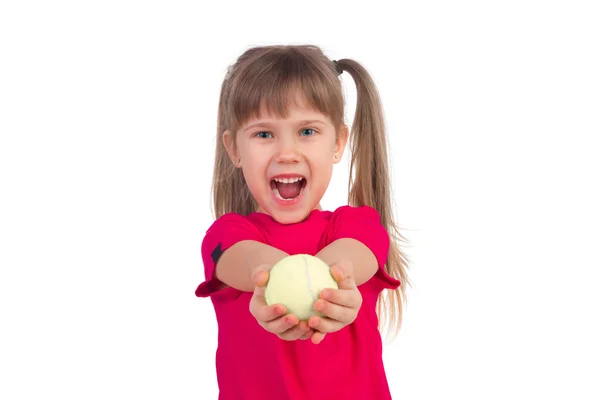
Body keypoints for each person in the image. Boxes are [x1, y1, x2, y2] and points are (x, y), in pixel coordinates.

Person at [195, 44, 410, 400]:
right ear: (234, 149)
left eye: (307, 131)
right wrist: (268, 283)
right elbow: (247, 260)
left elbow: (352, 257)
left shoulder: (358, 226)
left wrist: (332, 288)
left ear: (339, 142)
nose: (286, 153)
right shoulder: (228, 235)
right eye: (264, 134)